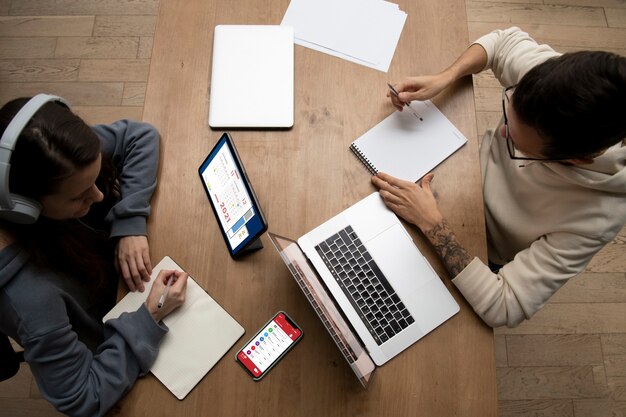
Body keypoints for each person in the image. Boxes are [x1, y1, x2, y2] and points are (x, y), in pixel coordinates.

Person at [372, 27, 626, 328]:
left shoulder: (598, 218)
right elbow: (502, 42)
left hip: (478, 243)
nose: (501, 133)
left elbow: (504, 305)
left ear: (577, 160)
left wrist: (432, 224)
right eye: (508, 111)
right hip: (458, 174)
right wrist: (446, 77)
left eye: (517, 145)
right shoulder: (558, 86)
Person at [0, 94, 189, 417]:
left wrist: (130, 223)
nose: (100, 195)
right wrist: (149, 317)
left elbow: (139, 136)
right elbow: (83, 399)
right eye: (80, 197)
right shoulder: (30, 300)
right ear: (26, 207)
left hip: (113, 281)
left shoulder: (56, 160)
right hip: (115, 334)